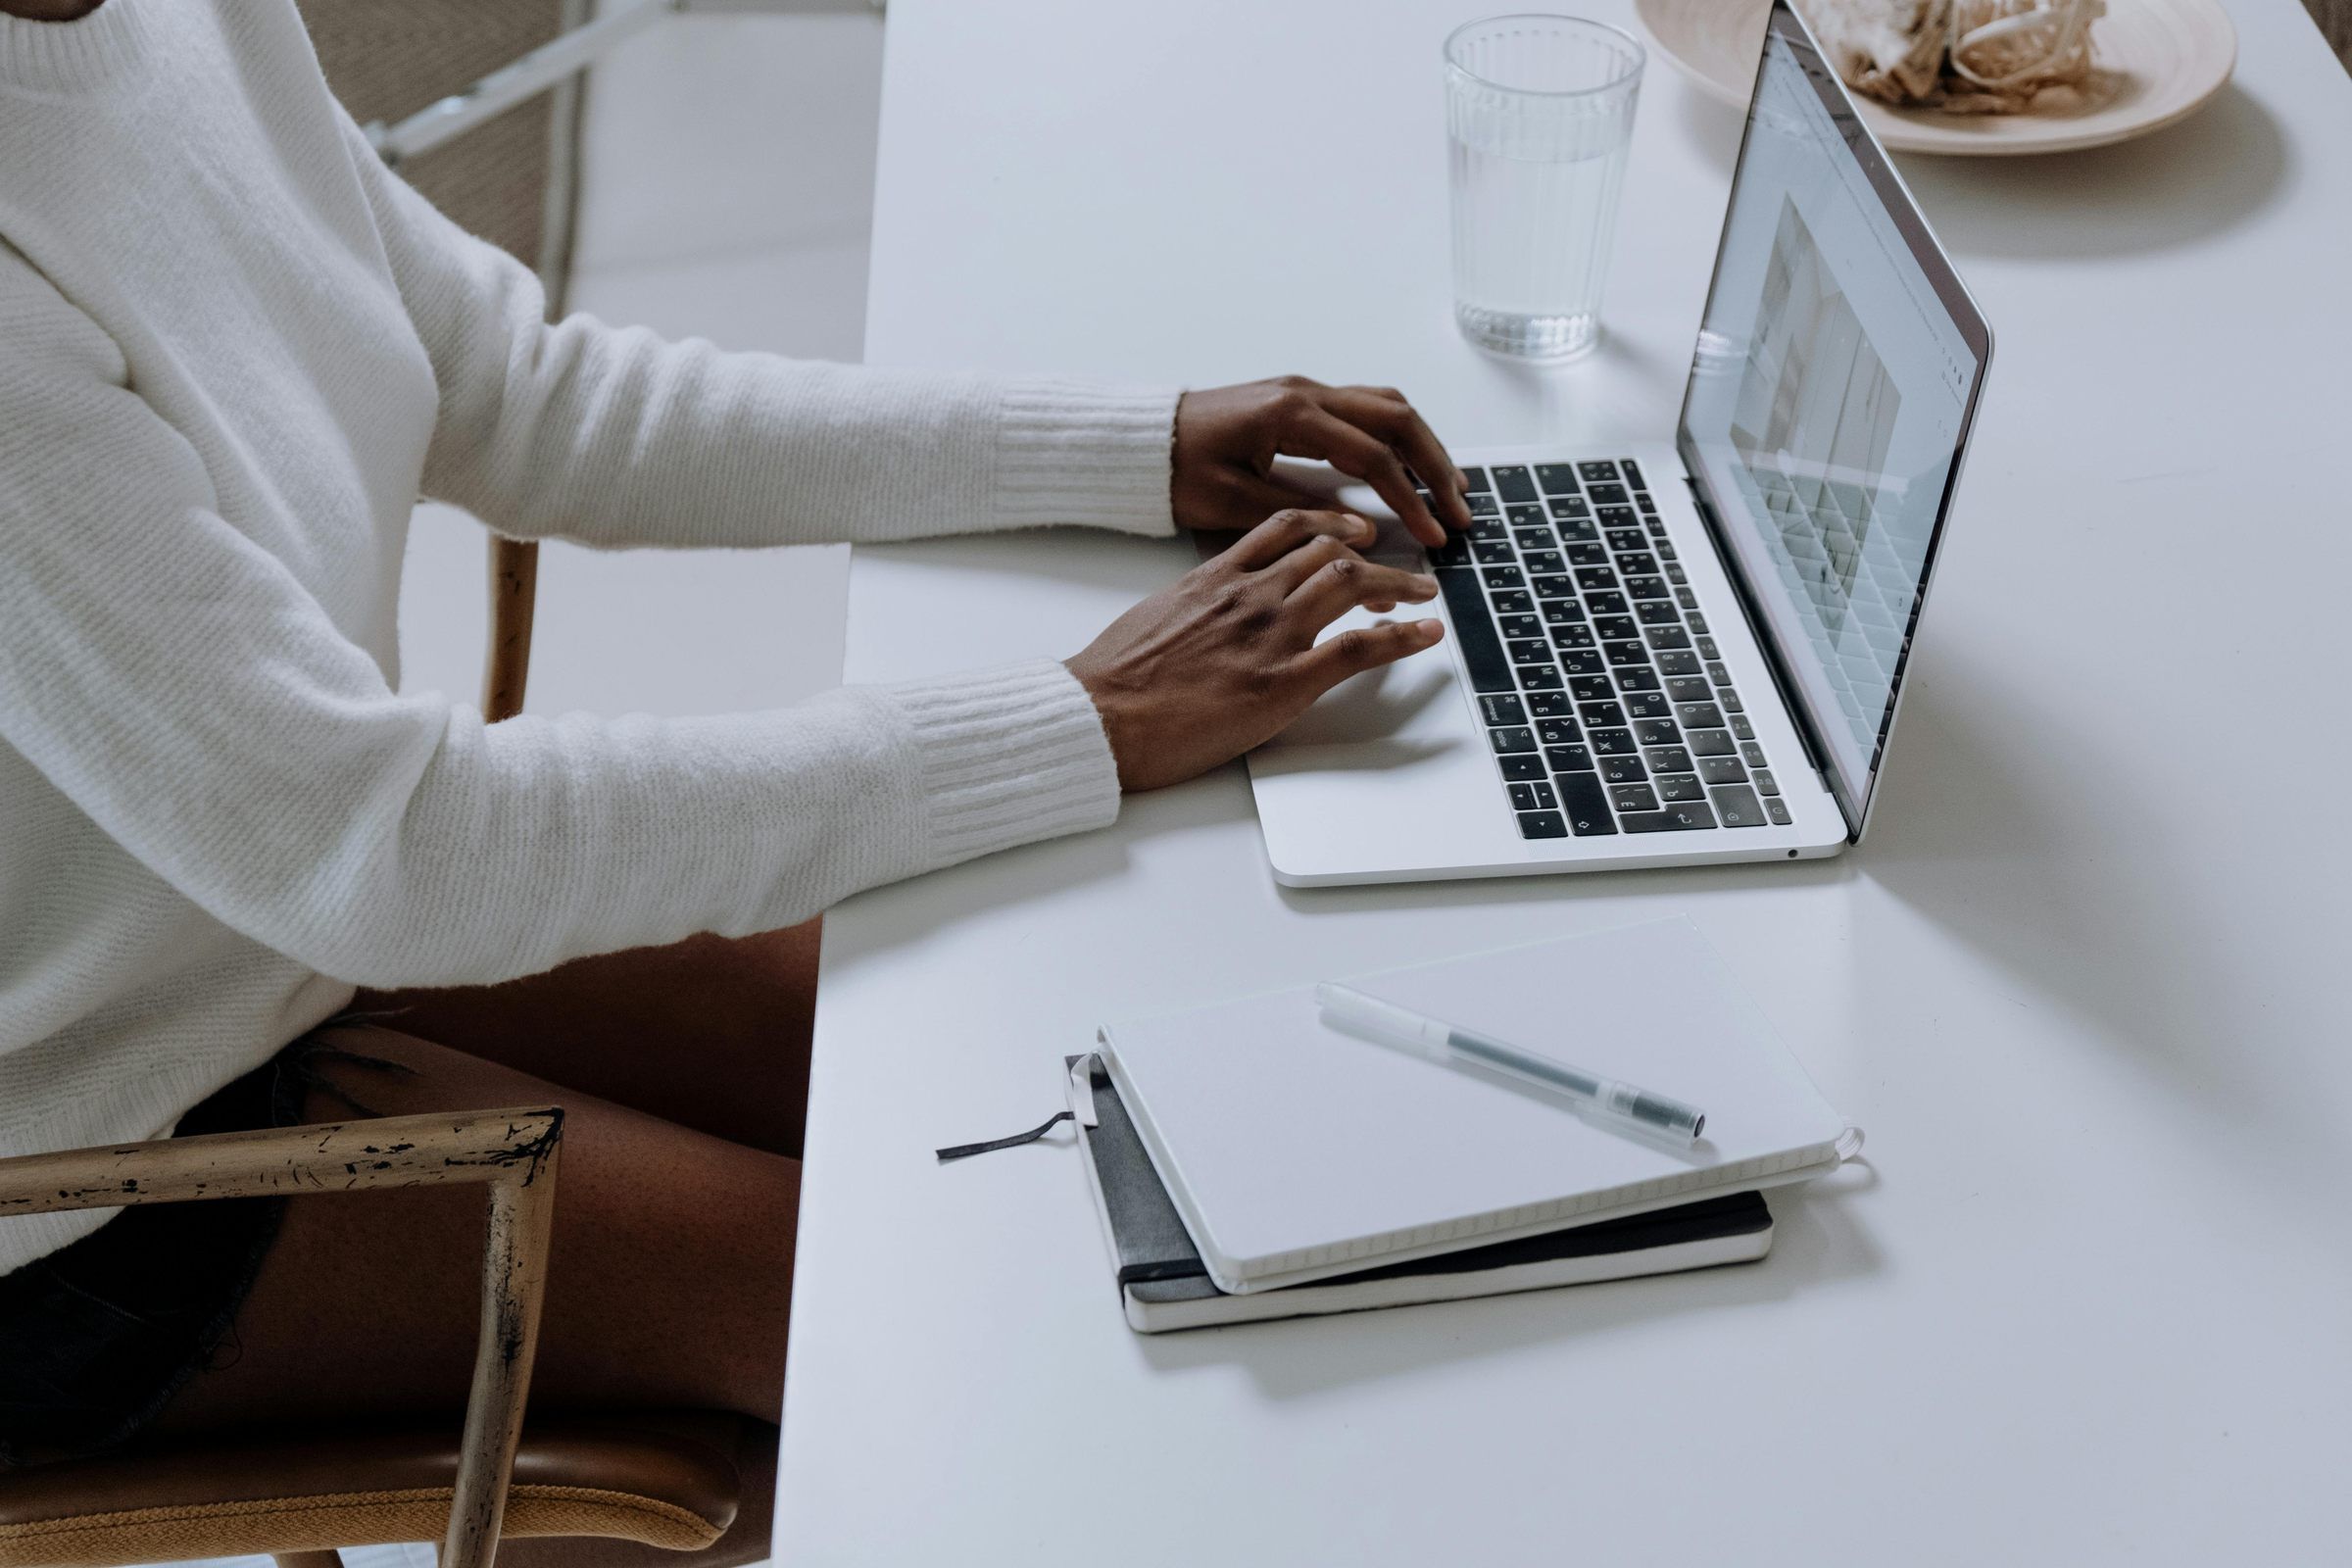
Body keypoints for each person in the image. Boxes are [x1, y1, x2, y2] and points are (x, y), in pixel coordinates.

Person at [0, 0, 1465, 1509]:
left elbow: (517, 389)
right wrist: (1083, 717)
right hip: (67, 1183)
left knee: (1014, 1087)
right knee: (931, 1341)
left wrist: (1125, 445)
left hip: (257, 913)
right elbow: (397, 853)